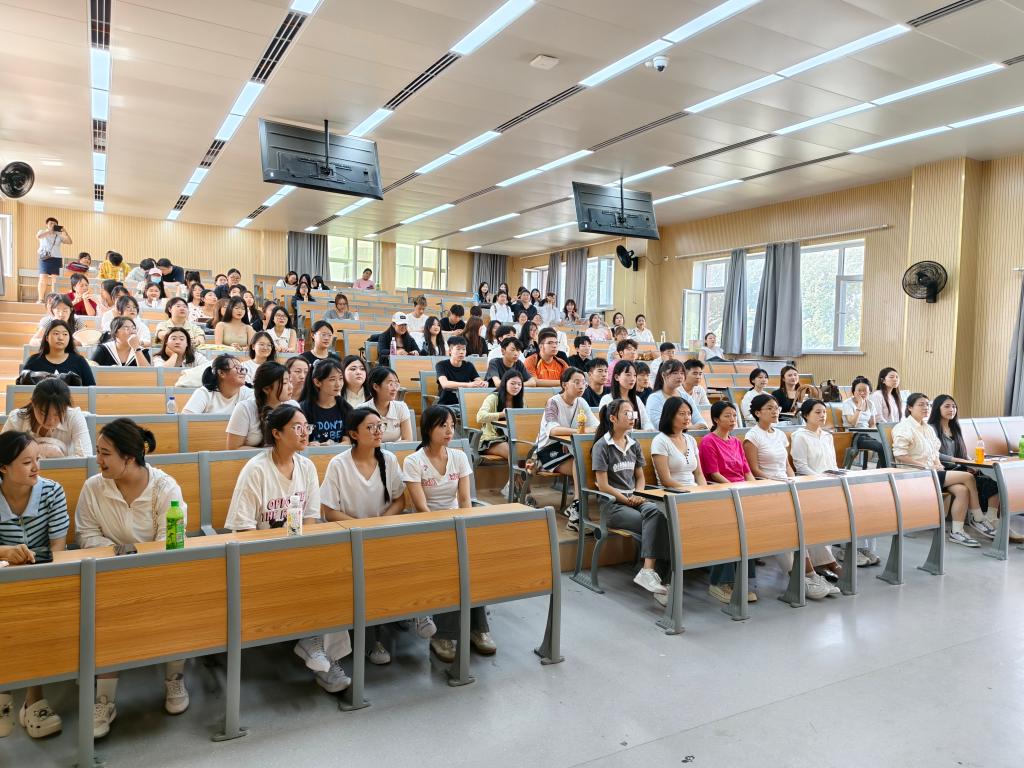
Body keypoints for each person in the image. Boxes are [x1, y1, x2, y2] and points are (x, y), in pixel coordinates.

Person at [225, 405, 352, 692]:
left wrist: (300, 555)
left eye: (307, 426)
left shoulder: (306, 467)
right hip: (260, 555)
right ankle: (317, 647)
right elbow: (243, 529)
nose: (305, 432)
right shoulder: (256, 470)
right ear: (277, 433)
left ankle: (319, 649)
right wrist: (280, 558)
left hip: (297, 551)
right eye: (297, 427)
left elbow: (310, 520)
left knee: (337, 572)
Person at [75, 418, 190, 735]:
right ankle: (104, 698)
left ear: (128, 457)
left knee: (178, 600)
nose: (98, 460)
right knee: (103, 613)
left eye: (105, 453)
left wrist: (140, 561)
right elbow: (85, 533)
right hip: (109, 573)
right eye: (98, 451)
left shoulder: (165, 487)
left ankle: (175, 678)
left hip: (157, 572)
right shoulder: (93, 487)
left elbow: (171, 540)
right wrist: (116, 554)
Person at [320, 407, 426, 665]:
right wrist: (361, 528)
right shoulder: (339, 464)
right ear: (354, 434)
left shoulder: (388, 459)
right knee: (361, 575)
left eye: (380, 426)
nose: (378, 431)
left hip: (382, 533)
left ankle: (414, 610)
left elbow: (399, 500)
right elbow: (330, 511)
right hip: (349, 537)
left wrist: (380, 524)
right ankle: (370, 641)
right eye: (371, 427)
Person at [403, 406, 493, 661]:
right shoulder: (414, 461)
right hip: (427, 528)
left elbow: (464, 500)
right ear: (428, 428)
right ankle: (441, 635)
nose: (449, 431)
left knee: (471, 561)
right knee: (452, 565)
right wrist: (444, 533)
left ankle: (478, 628)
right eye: (443, 425)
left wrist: (465, 529)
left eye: (452, 425)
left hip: (456, 524)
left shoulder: (459, 457)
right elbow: (421, 506)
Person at [0, 431, 70, 738]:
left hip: (43, 573)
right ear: (3, 467)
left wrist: (44, 580)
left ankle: (33, 699)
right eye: (27, 462)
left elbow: (58, 548)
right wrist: (5, 552)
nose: (36, 467)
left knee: (36, 611)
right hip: (3, 575)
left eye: (38, 459)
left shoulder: (52, 491)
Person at [753, 397, 841, 595]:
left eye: (776, 408)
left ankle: (814, 573)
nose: (775, 411)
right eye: (770, 408)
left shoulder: (780, 434)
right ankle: (801, 577)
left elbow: (787, 466)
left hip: (788, 486)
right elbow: (753, 471)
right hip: (768, 489)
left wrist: (791, 482)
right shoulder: (754, 436)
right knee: (786, 526)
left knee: (805, 524)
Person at [592, 398, 670, 606]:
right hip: (613, 505)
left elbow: (640, 477)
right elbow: (603, 486)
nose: (632, 417)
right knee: (658, 525)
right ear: (613, 418)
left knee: (661, 516)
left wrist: (638, 494)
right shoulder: (602, 446)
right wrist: (627, 499)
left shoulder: (633, 444)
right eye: (626, 413)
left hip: (634, 498)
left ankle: (649, 572)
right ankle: (658, 578)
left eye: (633, 413)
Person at [892, 393, 982, 548]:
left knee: (962, 490)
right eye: (921, 404)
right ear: (910, 407)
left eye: (927, 404)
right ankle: (978, 517)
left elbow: (934, 453)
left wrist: (938, 464)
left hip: (932, 472)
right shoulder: (904, 427)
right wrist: (926, 466)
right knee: (968, 477)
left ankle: (957, 532)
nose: (925, 407)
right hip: (916, 474)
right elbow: (900, 455)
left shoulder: (927, 428)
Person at [698, 401, 757, 604]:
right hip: (722, 493)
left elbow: (747, 471)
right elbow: (714, 474)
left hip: (741, 492)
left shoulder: (736, 442)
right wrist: (736, 490)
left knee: (753, 526)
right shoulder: (708, 442)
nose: (732, 419)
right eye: (727, 416)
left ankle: (741, 580)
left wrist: (754, 489)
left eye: (734, 415)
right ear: (716, 419)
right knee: (731, 529)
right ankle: (719, 583)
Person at [928, 394, 1003, 541]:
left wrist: (969, 462)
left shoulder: (955, 428)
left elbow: (963, 453)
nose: (951, 409)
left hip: (958, 471)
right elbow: (935, 454)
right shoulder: (932, 428)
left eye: (954, 406)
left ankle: (991, 519)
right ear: (937, 409)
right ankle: (976, 519)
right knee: (966, 485)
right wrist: (959, 461)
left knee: (992, 482)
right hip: (943, 470)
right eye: (947, 406)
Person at [536, 367, 599, 529]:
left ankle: (577, 506)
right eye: (576, 382)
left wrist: (588, 430)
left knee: (587, 462)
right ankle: (577, 509)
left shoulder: (581, 402)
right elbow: (553, 430)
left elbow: (596, 426)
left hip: (568, 449)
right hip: (547, 452)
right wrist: (580, 431)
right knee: (581, 464)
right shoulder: (553, 402)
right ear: (564, 384)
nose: (581, 386)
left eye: (583, 382)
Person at [2, 378, 91, 458]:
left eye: (58, 413)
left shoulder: (74, 416)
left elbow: (86, 457)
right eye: (43, 413)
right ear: (33, 403)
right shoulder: (16, 419)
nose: (51, 421)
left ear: (66, 407)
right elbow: (2, 454)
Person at [227, 362, 297, 448]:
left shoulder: (293, 406)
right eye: (285, 383)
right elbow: (233, 448)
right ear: (266, 389)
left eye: (290, 381)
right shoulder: (245, 408)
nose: (291, 387)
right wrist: (272, 452)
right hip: (256, 457)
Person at [651, 396, 706, 490]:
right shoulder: (660, 441)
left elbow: (699, 474)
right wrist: (690, 491)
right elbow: (666, 480)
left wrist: (704, 491)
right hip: (672, 492)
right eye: (682, 414)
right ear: (670, 415)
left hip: (694, 491)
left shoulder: (691, 440)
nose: (687, 417)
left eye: (689, 413)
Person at [21, 320, 96, 386]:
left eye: (65, 334)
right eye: (56, 333)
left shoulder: (79, 361)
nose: (60, 338)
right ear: (47, 338)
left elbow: (91, 388)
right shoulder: (33, 361)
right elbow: (20, 391)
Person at [299, 358, 351, 445]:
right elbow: (301, 440)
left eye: (341, 378)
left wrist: (332, 446)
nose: (338, 384)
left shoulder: (345, 407)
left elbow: (347, 441)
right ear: (317, 382)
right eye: (332, 379)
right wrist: (310, 445)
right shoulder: (304, 408)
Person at [477, 369, 524, 464]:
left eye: (519, 384)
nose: (516, 387)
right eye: (513, 383)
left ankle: (518, 475)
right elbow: (480, 417)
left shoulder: (520, 401)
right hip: (491, 439)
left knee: (526, 452)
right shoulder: (493, 398)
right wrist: (502, 414)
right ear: (505, 383)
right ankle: (516, 474)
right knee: (514, 454)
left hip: (511, 438)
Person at [182, 354, 253, 414]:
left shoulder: (249, 394)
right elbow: (186, 420)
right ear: (221, 373)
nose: (242, 372)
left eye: (243, 368)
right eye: (237, 368)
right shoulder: (205, 393)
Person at [645, 360, 705, 430]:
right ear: (664, 375)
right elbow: (658, 425)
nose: (680, 376)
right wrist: (687, 428)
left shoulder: (686, 397)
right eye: (675, 373)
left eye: (682, 373)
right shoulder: (654, 398)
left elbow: (701, 422)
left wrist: (686, 428)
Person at [360, 366, 412, 442]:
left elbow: (408, 440)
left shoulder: (401, 407)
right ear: (376, 386)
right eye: (390, 384)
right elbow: (361, 442)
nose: (394, 389)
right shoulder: (361, 410)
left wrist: (388, 448)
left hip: (397, 449)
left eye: (396, 384)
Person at [599, 361, 653, 430]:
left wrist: (649, 429)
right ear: (616, 377)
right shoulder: (607, 399)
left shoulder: (637, 399)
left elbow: (646, 422)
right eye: (628, 375)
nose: (632, 379)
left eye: (634, 375)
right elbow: (606, 426)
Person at [435, 337, 486, 409]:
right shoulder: (441, 365)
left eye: (464, 349)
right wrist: (468, 385)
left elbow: (478, 381)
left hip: (465, 404)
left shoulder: (469, 365)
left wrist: (482, 383)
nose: (461, 352)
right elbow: (445, 384)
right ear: (450, 351)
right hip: (446, 405)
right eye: (458, 349)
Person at [36, 217, 72, 303]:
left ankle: (54, 300)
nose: (53, 225)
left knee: (55, 280)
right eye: (51, 223)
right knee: (43, 278)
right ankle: (41, 299)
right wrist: (50, 231)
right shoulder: (42, 232)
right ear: (47, 225)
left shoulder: (58, 235)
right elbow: (39, 236)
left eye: (55, 224)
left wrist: (65, 232)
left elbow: (69, 242)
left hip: (57, 258)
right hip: (45, 258)